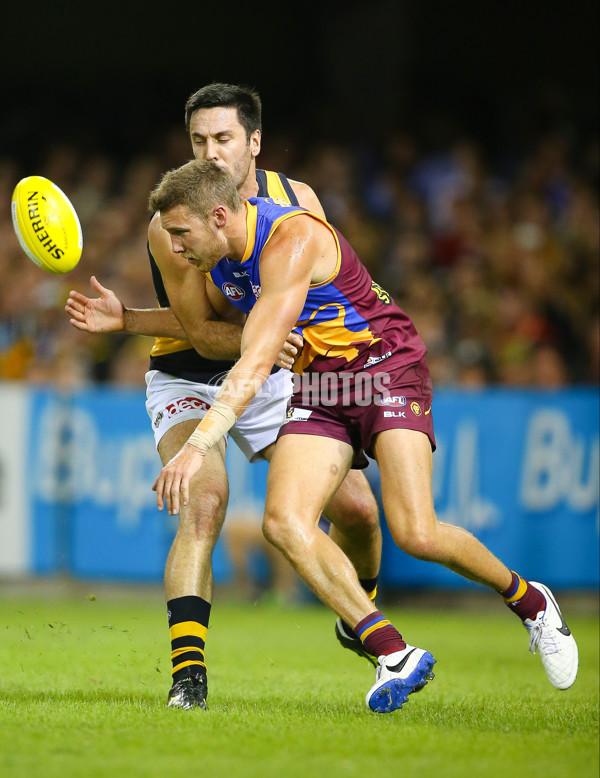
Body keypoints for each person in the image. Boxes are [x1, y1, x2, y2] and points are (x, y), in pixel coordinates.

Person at [149, 159, 579, 713]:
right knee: (282, 522)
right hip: (321, 385)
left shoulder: (291, 238)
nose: (175, 248)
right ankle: (393, 653)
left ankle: (532, 602)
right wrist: (123, 320)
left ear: (218, 215)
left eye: (181, 233)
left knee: (416, 532)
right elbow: (197, 329)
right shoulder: (223, 258)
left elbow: (255, 363)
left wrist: (198, 444)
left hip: (386, 368)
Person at [66, 84, 383, 710]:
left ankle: (360, 612)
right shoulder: (170, 223)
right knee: (205, 501)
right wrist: (264, 337)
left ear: (254, 142)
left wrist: (130, 318)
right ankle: (189, 678)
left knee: (360, 511)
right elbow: (203, 336)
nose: (209, 152)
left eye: (223, 138)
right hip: (190, 372)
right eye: (198, 140)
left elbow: (329, 297)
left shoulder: (299, 203)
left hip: (268, 367)